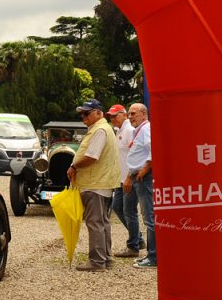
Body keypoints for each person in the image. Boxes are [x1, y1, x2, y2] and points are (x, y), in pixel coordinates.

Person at [67, 98, 121, 272]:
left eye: (87, 113)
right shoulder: (103, 129)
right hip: (102, 183)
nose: (84, 117)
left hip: (94, 183)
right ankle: (105, 258)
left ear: (99, 113)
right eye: (82, 114)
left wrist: (74, 165)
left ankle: (97, 262)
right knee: (103, 222)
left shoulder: (99, 130)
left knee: (95, 223)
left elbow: (91, 156)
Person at [107, 104, 142, 258]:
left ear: (124, 115)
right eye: (111, 116)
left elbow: (134, 155)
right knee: (118, 207)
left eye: (115, 116)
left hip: (129, 177)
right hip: (121, 178)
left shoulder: (129, 130)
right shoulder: (120, 130)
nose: (112, 119)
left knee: (129, 211)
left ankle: (133, 246)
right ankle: (138, 239)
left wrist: (129, 176)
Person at [125, 102, 156, 269]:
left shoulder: (146, 129)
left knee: (149, 217)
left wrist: (144, 170)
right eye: (129, 114)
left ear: (144, 114)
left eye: (133, 113)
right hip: (136, 175)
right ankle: (148, 252)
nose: (130, 117)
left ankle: (153, 257)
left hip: (143, 177)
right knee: (134, 211)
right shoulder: (140, 130)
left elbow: (153, 150)